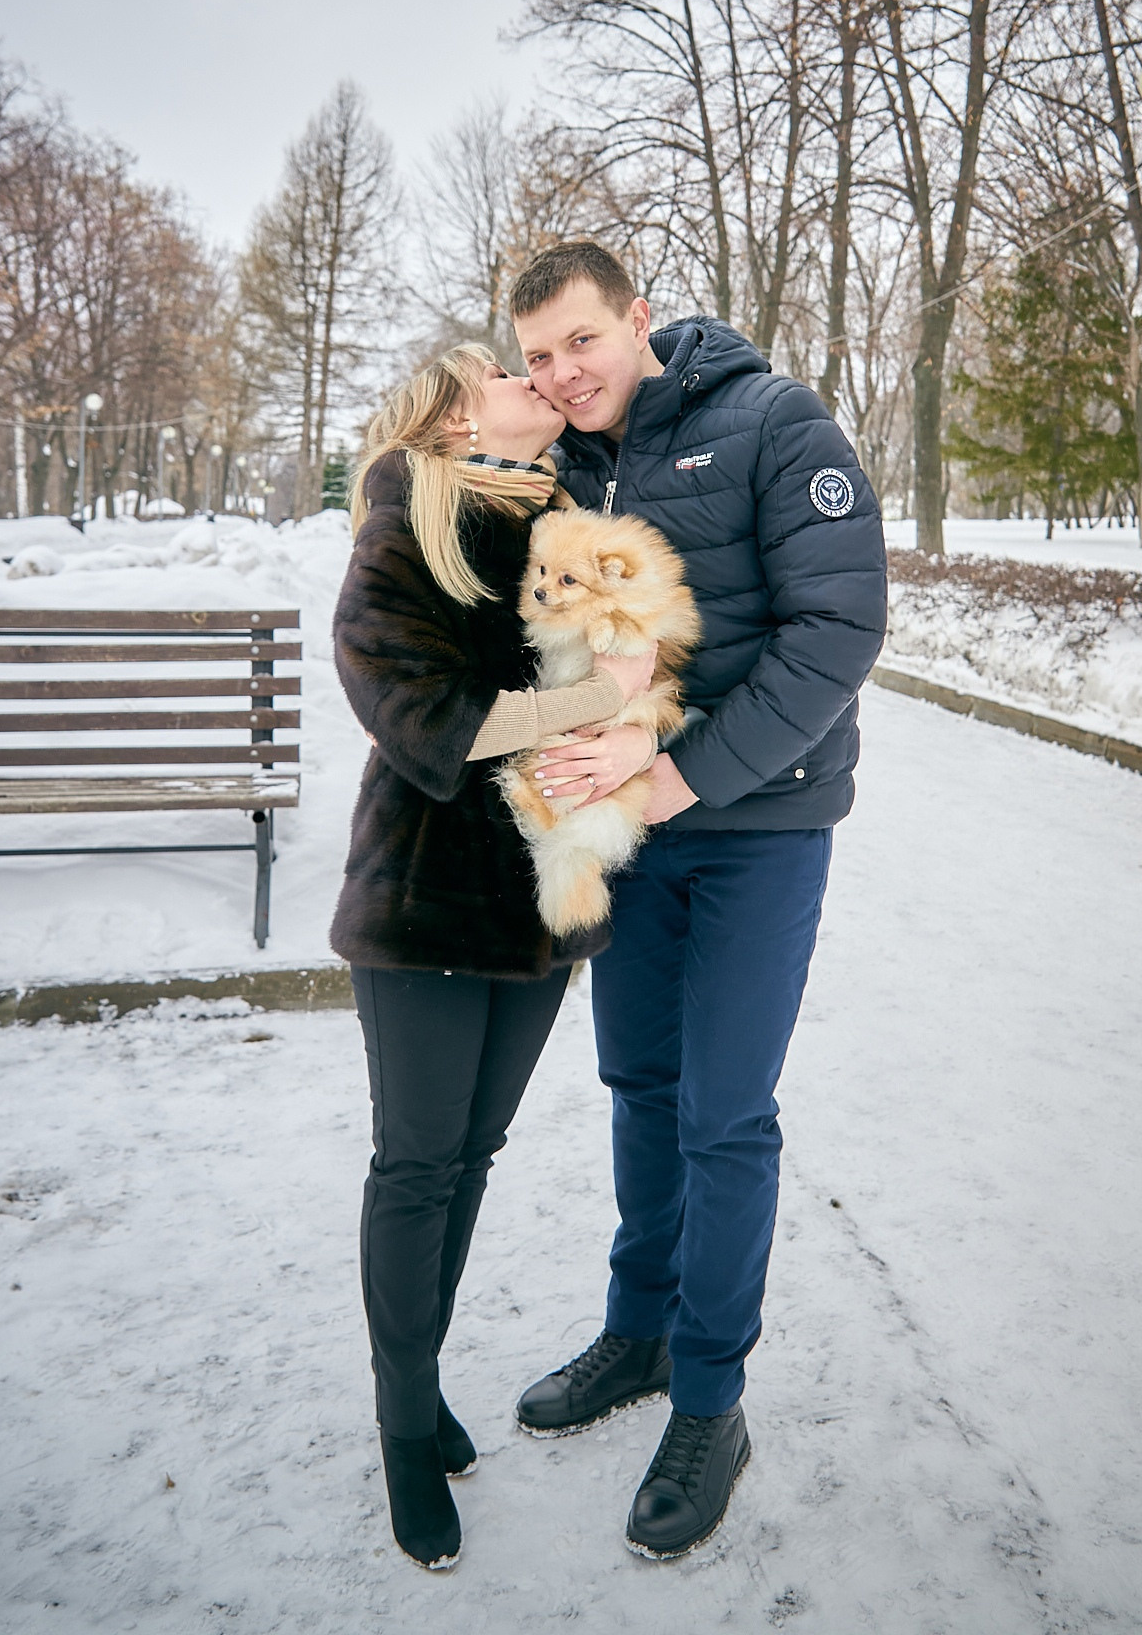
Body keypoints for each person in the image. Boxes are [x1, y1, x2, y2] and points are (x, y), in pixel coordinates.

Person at [508, 243, 888, 1561]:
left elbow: (839, 628)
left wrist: (672, 777)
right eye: (538, 355)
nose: (560, 374)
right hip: (632, 835)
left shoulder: (774, 423)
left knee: (725, 1114)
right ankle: (642, 1331)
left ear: (639, 321)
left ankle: (713, 1400)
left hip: (758, 826)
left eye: (579, 343)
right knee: (640, 1083)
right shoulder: (564, 459)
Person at [330, 342, 659, 1570]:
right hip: (423, 899)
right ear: (457, 414)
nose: (540, 383)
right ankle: (404, 1425)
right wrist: (589, 700)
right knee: (417, 1164)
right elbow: (427, 727)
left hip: (537, 898)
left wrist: (628, 695)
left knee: (472, 1156)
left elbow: (628, 680)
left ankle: (420, 1381)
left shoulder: (566, 529)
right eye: (508, 374)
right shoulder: (402, 531)